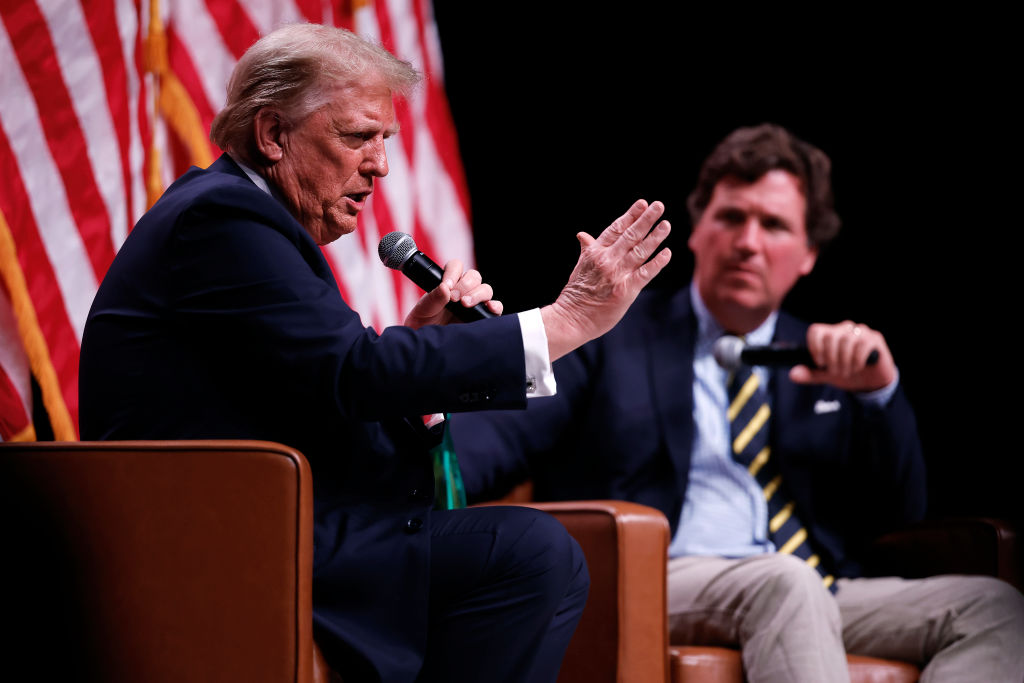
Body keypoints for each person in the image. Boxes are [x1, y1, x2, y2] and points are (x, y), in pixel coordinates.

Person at [78, 23, 673, 683]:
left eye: (385, 140)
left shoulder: (252, 221)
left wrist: (422, 358)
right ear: (274, 134)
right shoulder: (222, 220)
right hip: (226, 546)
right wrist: (566, 322)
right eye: (358, 136)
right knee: (530, 553)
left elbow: (328, 390)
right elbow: (354, 373)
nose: (381, 165)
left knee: (524, 555)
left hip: (277, 525)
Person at [450, 123, 1024, 681]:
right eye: (730, 218)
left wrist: (879, 397)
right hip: (660, 579)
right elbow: (488, 447)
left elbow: (900, 519)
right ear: (697, 231)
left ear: (808, 253)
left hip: (816, 589)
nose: (747, 242)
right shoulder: (612, 336)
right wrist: (419, 453)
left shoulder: (831, 356)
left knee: (991, 606)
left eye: (773, 225)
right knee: (785, 583)